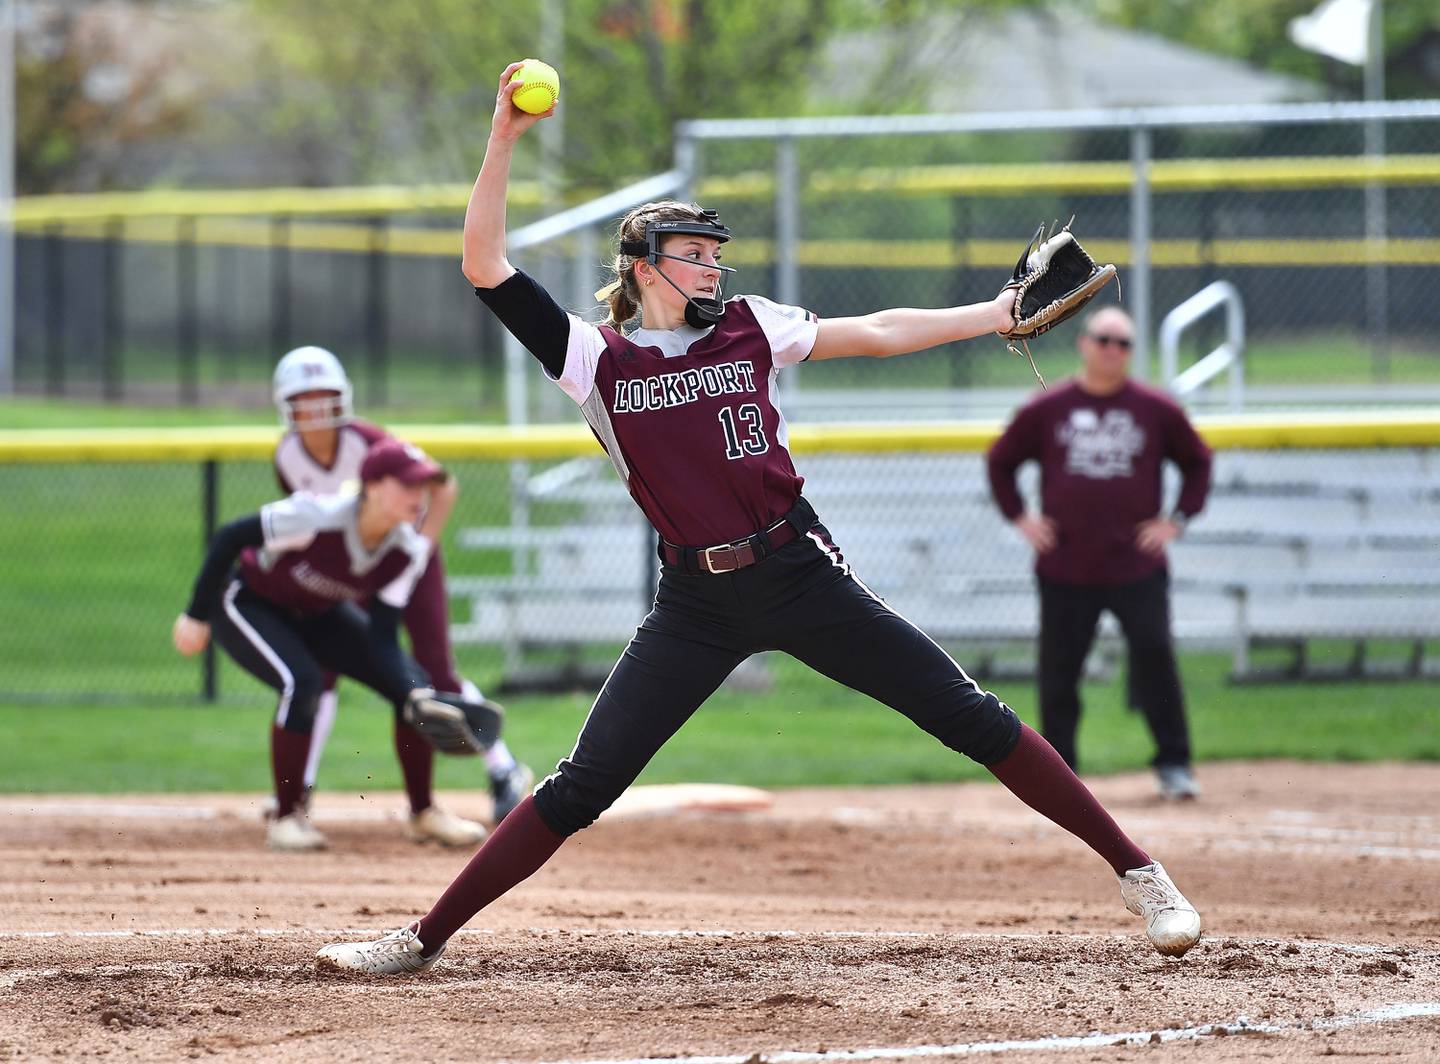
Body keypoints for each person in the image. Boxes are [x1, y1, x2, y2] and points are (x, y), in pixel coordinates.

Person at [314, 60, 1202, 974]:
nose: (710, 266)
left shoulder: (750, 323)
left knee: (969, 717)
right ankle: (421, 938)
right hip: (694, 603)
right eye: (692, 254)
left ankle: (1143, 875)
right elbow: (484, 265)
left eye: (713, 254)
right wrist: (503, 137)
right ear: (643, 266)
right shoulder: (594, 357)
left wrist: (994, 311)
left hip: (798, 572)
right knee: (582, 785)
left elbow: (879, 329)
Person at [173, 438, 497, 851]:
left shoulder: (403, 552)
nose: (420, 496)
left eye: (424, 487)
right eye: (408, 485)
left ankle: (422, 814)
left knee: (412, 688)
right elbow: (230, 537)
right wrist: (196, 614)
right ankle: (286, 817)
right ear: (374, 486)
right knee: (303, 683)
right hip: (247, 602)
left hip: (316, 612)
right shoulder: (315, 516)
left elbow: (382, 635)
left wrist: (414, 691)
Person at [268, 346, 533, 828]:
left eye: (323, 398)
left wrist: (418, 550)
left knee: (433, 671)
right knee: (323, 668)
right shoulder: (287, 455)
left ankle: (504, 770)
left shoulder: (366, 442)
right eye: (302, 401)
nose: (315, 411)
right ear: (286, 407)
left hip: (406, 558)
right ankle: (299, 787)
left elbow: (442, 484)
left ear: (341, 398)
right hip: (356, 566)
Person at [986, 306, 1212, 801]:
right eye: (1104, 339)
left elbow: (1198, 462)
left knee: (1155, 658)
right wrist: (1022, 518)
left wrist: (1175, 521)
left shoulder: (1155, 409)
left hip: (1136, 564)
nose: (1112, 350)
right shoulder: (1050, 407)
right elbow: (1001, 461)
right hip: (1066, 565)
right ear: (1084, 343)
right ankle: (1060, 776)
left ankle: (1174, 764)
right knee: (1059, 673)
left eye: (1123, 343)